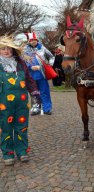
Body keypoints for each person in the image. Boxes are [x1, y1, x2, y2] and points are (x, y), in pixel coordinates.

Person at [0, 36, 40, 165]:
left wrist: (34, 93)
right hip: (3, 103)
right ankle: (8, 153)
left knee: (22, 126)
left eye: (9, 49)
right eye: (3, 49)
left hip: (22, 102)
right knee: (5, 127)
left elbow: (28, 79)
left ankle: (22, 150)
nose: (7, 51)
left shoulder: (20, 63)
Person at [23, 32, 54, 115]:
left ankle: (47, 108)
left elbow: (51, 57)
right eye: (31, 40)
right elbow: (23, 61)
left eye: (34, 40)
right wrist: (30, 66)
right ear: (28, 41)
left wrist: (49, 64)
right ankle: (36, 109)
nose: (33, 41)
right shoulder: (24, 50)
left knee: (44, 92)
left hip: (42, 74)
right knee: (34, 93)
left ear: (37, 40)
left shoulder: (42, 48)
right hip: (31, 76)